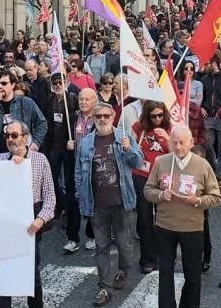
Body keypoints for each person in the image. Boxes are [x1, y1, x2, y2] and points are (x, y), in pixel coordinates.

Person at [144, 125, 221, 308]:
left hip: (192, 228)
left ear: (191, 142)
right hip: (165, 227)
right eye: (174, 142)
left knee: (193, 275)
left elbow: (216, 197)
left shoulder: (202, 165)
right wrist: (160, 195)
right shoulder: (162, 162)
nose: (178, 147)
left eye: (182, 143)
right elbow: (148, 189)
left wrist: (197, 201)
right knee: (165, 273)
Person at [74, 103, 144, 306]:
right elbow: (79, 172)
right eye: (98, 116)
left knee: (125, 245)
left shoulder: (123, 136)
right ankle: (104, 287)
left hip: (122, 202)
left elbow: (138, 162)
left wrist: (129, 149)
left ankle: (124, 269)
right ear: (94, 118)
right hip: (97, 205)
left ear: (113, 117)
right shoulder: (86, 142)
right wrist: (81, 198)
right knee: (101, 247)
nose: (102, 119)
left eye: (106, 115)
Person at [0, 121, 55, 308]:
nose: (10, 140)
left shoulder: (40, 159)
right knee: (1, 271)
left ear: (25, 138)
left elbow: (50, 198)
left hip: (30, 223)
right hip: (4, 224)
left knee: (31, 273)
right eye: (7, 136)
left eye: (14, 135)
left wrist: (40, 219)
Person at [131, 100, 171, 274]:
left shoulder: (170, 128)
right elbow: (131, 148)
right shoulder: (139, 127)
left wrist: (168, 139)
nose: (157, 119)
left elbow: (177, 153)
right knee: (144, 219)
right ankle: (147, 259)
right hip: (142, 176)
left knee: (163, 219)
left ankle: (165, 256)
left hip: (163, 178)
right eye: (153, 116)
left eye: (160, 115)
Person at [0, 70, 47, 161]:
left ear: (12, 85)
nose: (0, 86)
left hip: (19, 156)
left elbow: (42, 123)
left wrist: (36, 143)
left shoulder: (25, 102)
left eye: (4, 83)